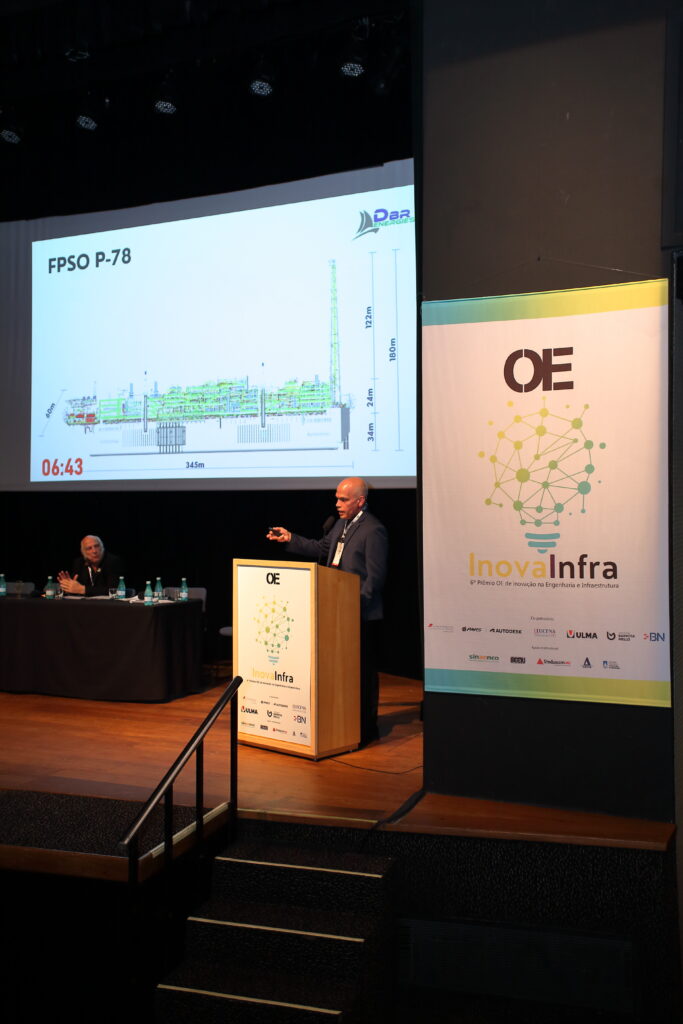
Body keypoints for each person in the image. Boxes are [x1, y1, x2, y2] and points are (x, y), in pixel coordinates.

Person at [267, 477, 388, 745]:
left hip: (361, 616)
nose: (337, 504)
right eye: (336, 499)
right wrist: (290, 538)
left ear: (360, 501)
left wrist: (353, 608)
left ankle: (366, 729)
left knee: (362, 675)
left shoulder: (373, 530)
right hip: (336, 612)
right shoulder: (341, 525)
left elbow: (375, 579)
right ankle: (343, 724)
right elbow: (322, 548)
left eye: (344, 499)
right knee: (340, 673)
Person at [57, 535, 124, 597]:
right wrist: (68, 586)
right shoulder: (79, 563)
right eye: (89, 548)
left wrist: (83, 589)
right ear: (83, 552)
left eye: (96, 546)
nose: (94, 551)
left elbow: (114, 590)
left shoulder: (113, 561)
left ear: (102, 547)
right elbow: (76, 588)